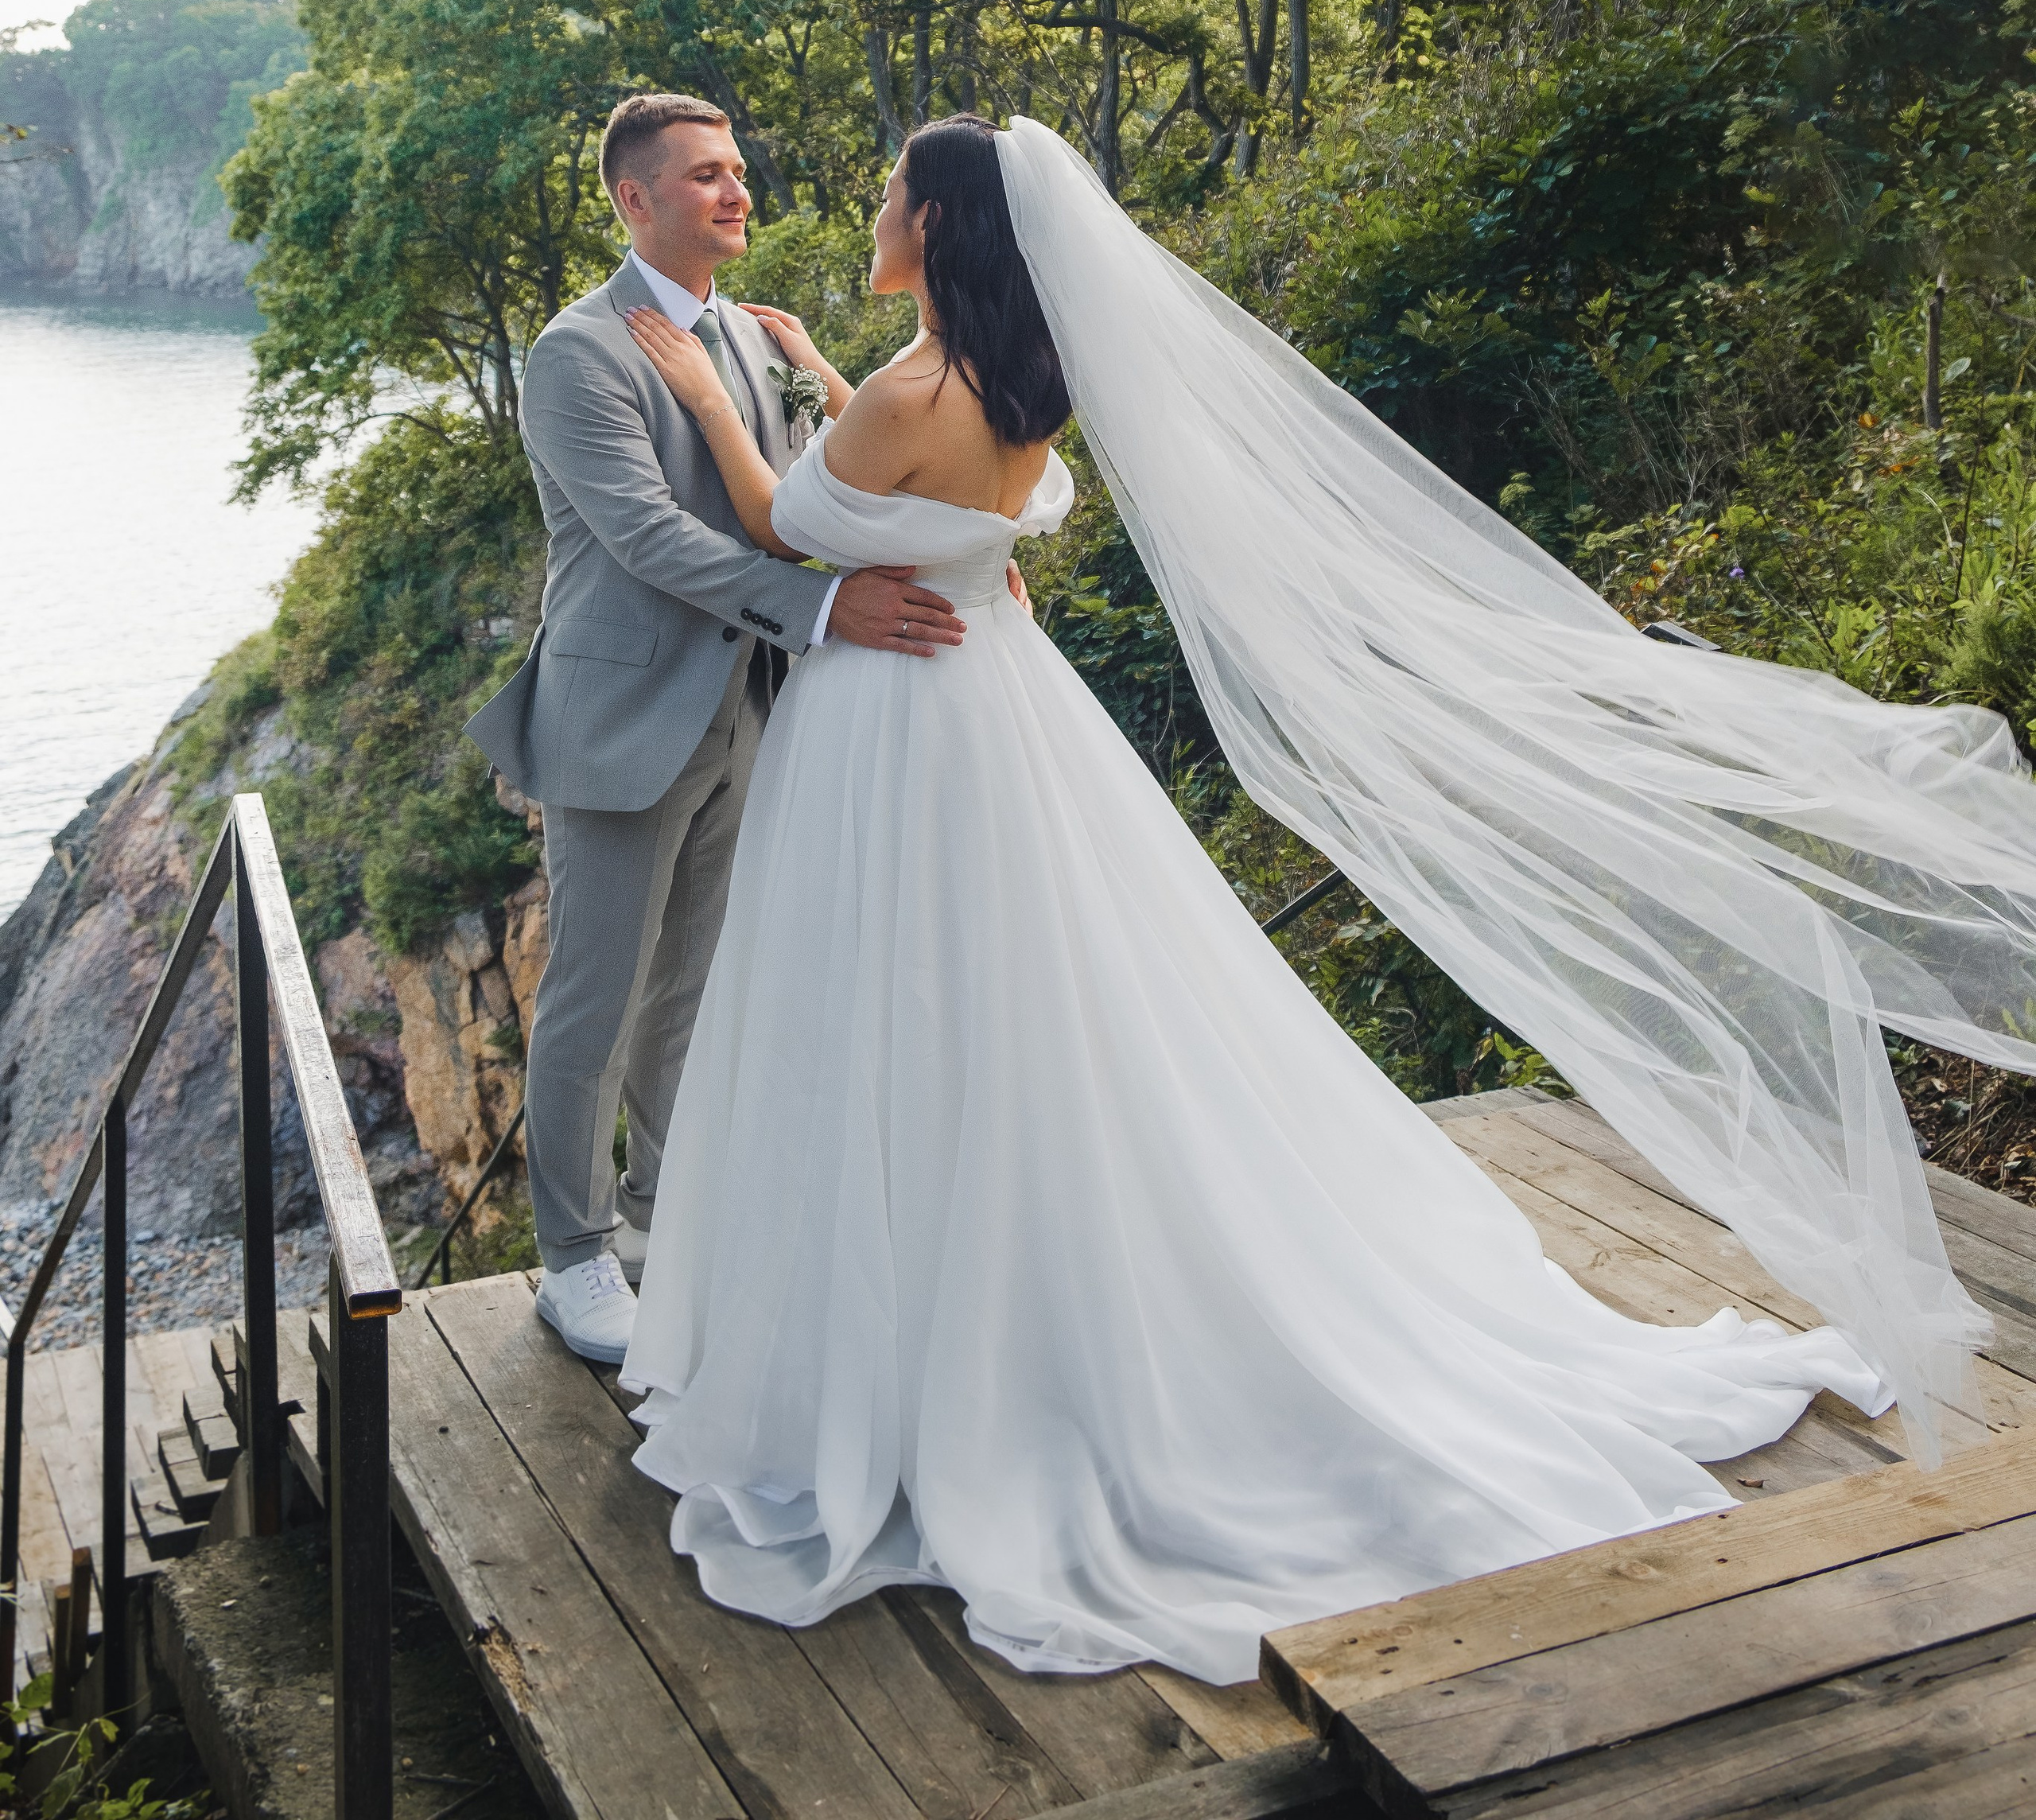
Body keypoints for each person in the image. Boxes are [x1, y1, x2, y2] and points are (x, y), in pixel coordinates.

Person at [610, 115, 1927, 1686]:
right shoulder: (1011, 382)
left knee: (899, 1011)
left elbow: (785, 521)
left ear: (940, 226)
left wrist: (713, 401)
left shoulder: (909, 392)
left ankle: (923, 1349)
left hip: (892, 733)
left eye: (894, 188)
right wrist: (832, 380)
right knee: (1026, 1012)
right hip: (999, 714)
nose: (871, 200)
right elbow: (952, 499)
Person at [467, 91, 982, 1364]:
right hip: (622, 717)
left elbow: (802, 502)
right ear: (635, 199)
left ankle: (665, 1227)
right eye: (705, 174)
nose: (736, 190)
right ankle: (574, 1260)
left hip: (750, 710)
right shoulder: (577, 352)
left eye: (738, 168)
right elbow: (648, 535)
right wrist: (825, 609)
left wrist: (946, 549)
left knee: (688, 997)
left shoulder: (748, 339)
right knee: (595, 996)